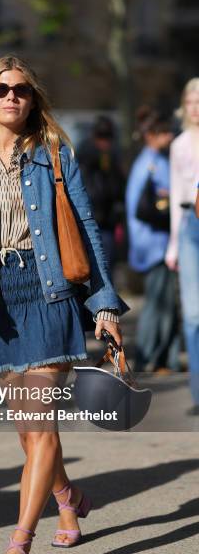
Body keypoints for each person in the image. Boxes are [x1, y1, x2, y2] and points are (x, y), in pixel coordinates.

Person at [0, 55, 127, 554]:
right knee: (29, 430)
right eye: (0, 89)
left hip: (50, 293)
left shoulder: (55, 154)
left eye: (20, 89)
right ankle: (69, 499)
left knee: (40, 424)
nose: (11, 97)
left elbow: (86, 225)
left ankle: (19, 546)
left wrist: (103, 302)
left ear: (33, 97)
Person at [126, 106, 180, 373]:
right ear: (153, 135)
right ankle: (147, 358)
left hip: (159, 244)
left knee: (164, 303)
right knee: (157, 305)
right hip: (154, 245)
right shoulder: (148, 164)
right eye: (165, 133)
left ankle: (160, 359)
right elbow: (145, 208)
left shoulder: (156, 160)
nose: (170, 137)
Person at [166, 78, 199, 415]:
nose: (195, 106)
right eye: (190, 100)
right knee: (192, 315)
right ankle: (197, 393)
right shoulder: (178, 145)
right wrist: (173, 245)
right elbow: (176, 196)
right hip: (190, 224)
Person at [78, 116, 125, 273]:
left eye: (107, 138)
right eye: (101, 137)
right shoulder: (85, 155)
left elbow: (117, 188)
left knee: (106, 266)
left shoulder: (113, 156)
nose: (104, 142)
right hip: (89, 220)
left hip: (107, 224)